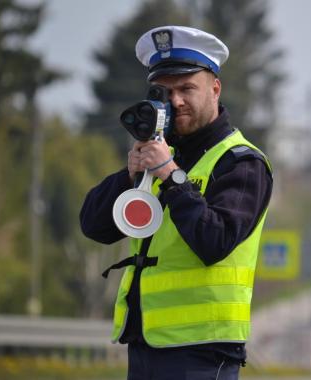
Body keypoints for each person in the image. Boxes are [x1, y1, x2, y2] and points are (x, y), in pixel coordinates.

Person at [80, 25, 273, 380]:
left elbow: (214, 241)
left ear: (215, 89)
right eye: (165, 92)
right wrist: (130, 174)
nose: (176, 101)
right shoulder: (160, 154)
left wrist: (171, 176)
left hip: (203, 352)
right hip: (145, 346)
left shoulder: (242, 163)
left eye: (187, 88)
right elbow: (94, 226)